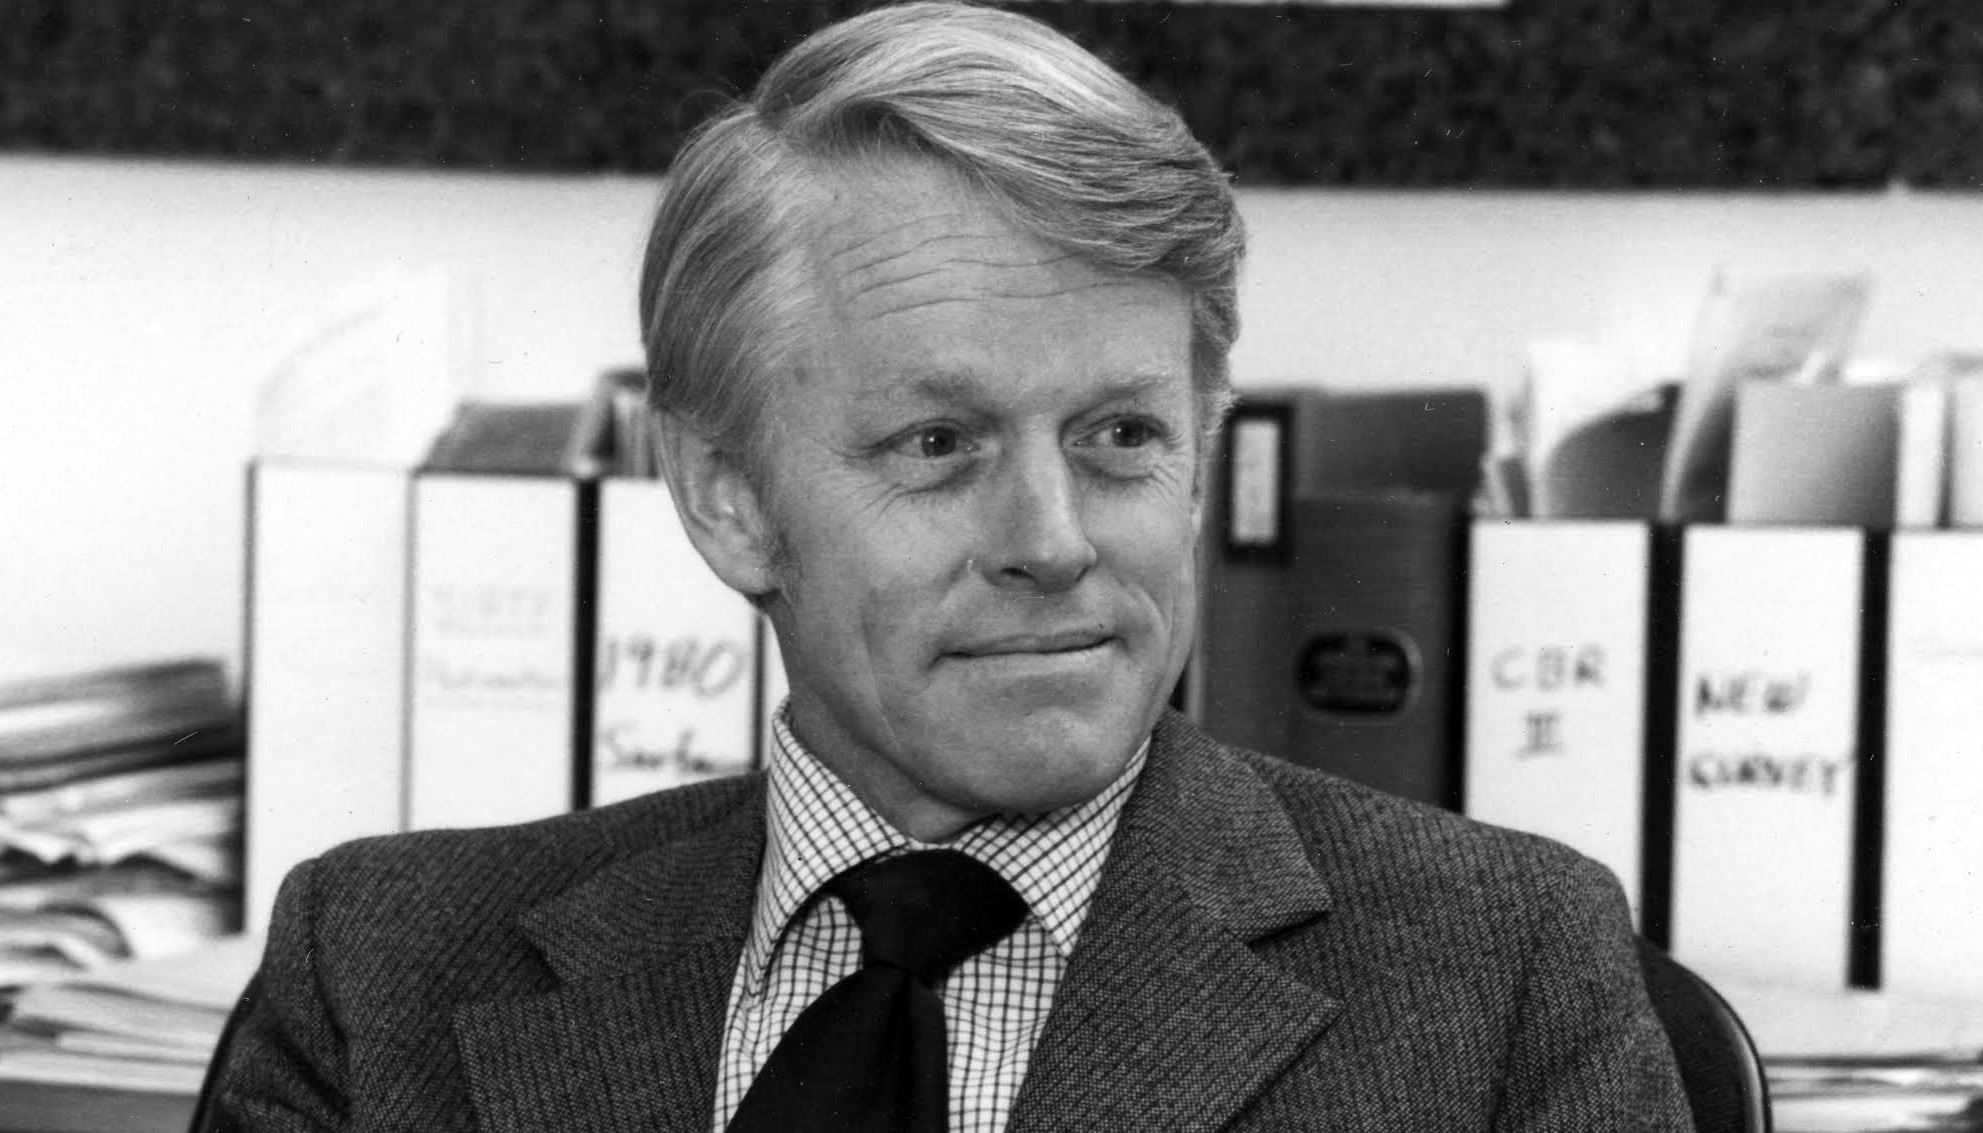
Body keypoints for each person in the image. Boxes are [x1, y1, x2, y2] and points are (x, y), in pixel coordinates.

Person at [210, 4, 1694, 1130]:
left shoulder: (1503, 975)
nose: (1053, 540)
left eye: (1121, 434)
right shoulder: (384, 974)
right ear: (728, 498)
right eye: (937, 443)